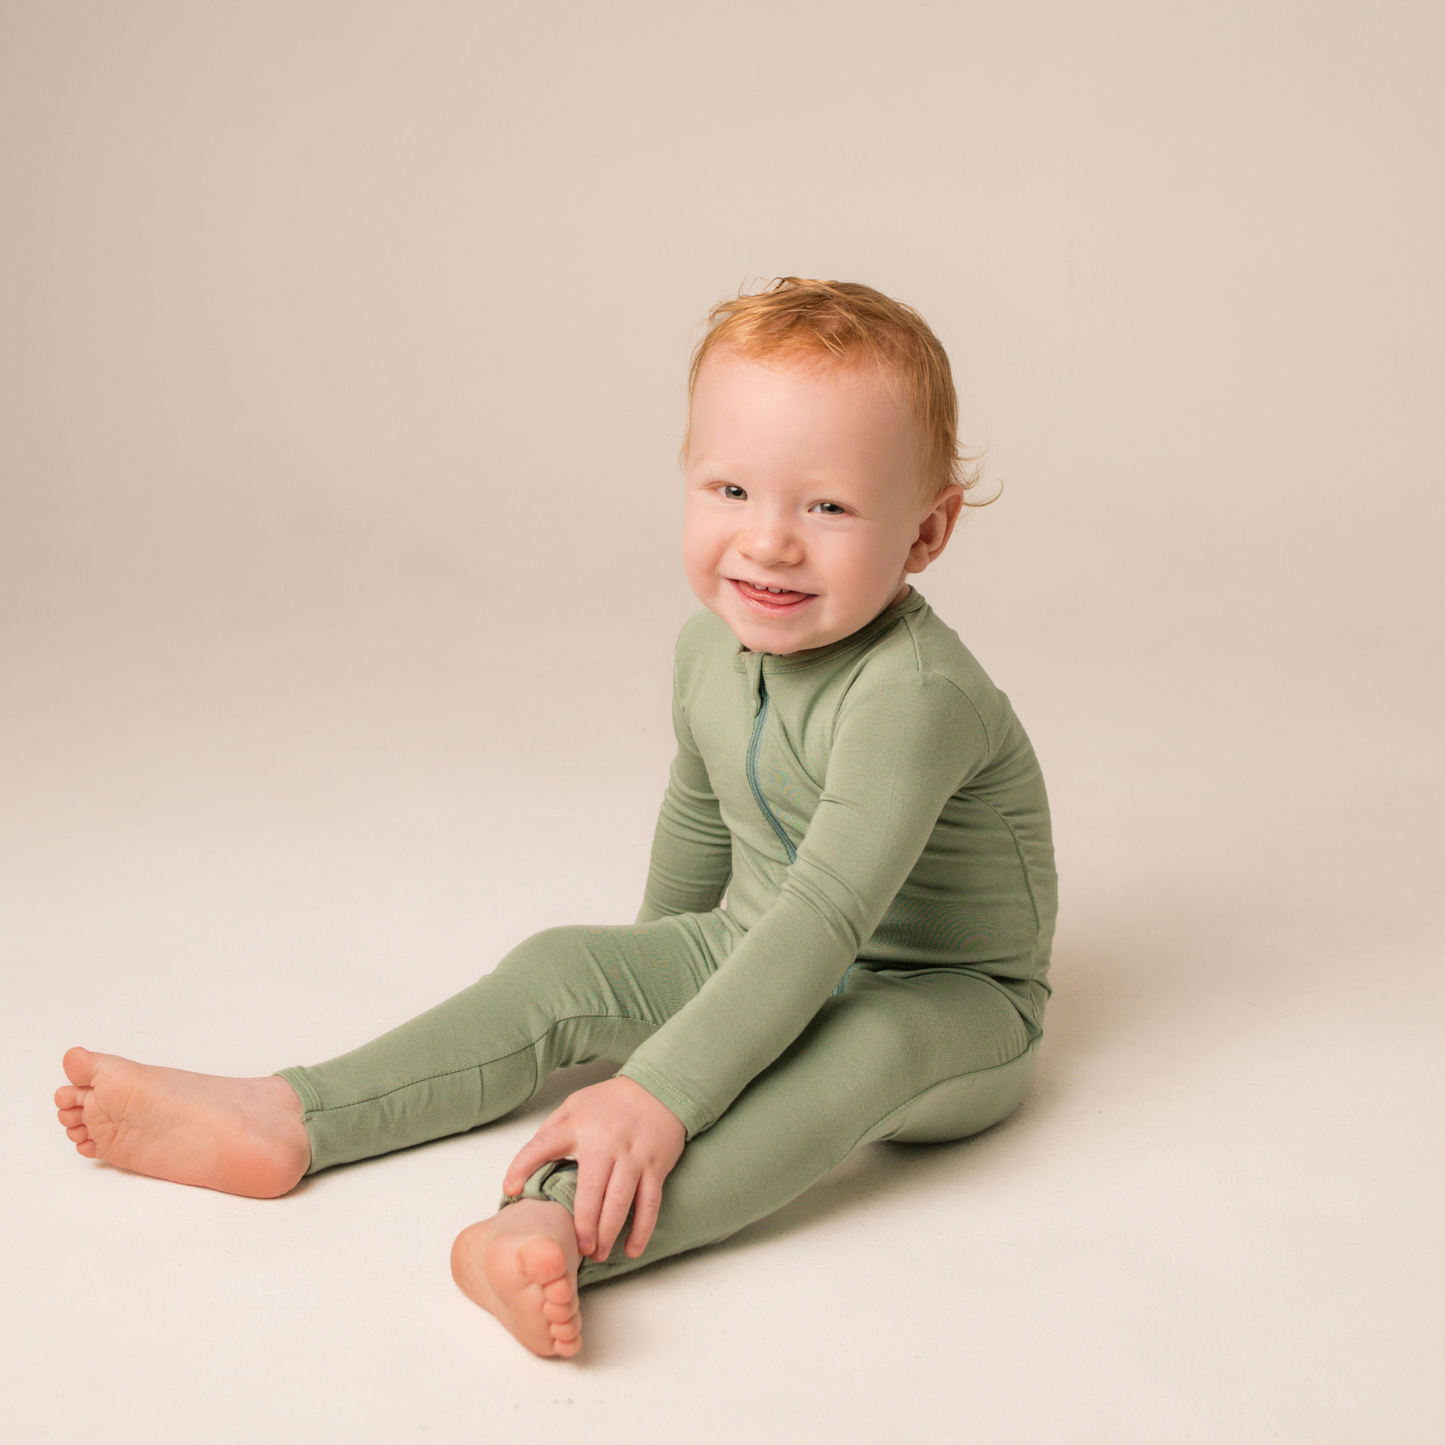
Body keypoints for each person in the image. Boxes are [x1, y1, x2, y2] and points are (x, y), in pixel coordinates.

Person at [54, 278, 1057, 1359]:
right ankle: (285, 1115)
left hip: (942, 996)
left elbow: (823, 913)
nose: (766, 542)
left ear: (925, 531)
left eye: (826, 506)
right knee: (557, 963)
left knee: (855, 1056)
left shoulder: (911, 697)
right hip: (767, 937)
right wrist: (639, 986)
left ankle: (553, 1225)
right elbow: (699, 811)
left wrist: (658, 1087)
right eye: (729, 488)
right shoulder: (706, 649)